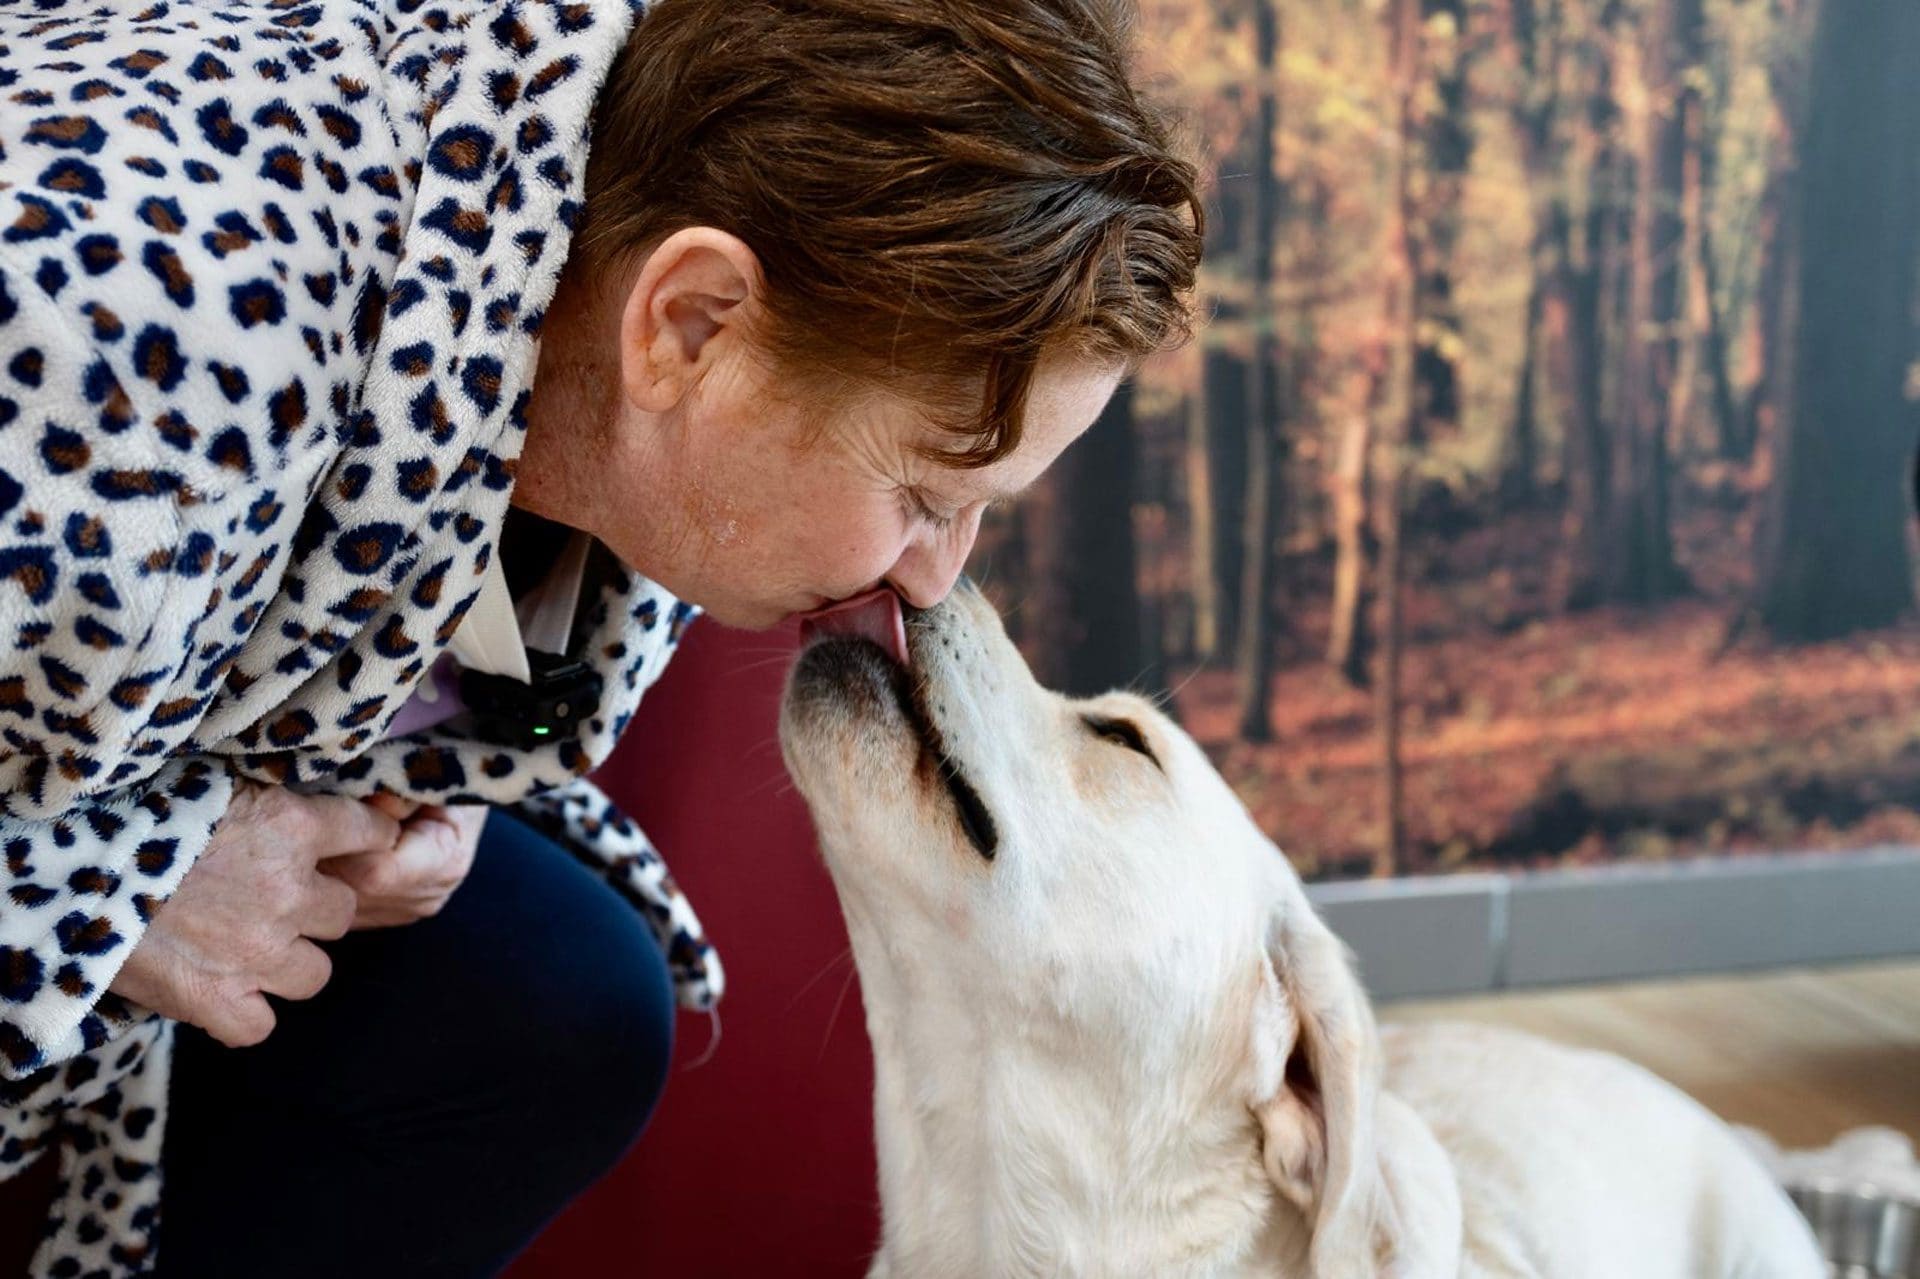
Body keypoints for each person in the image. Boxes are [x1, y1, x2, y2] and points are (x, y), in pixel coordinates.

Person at [0, 0, 1203, 1274]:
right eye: (922, 493)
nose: (929, 579)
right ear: (689, 323)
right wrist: (112, 900)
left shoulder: (591, 253)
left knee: (550, 997)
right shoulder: (110, 342)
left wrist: (427, 770)